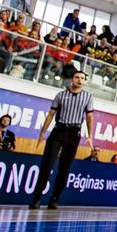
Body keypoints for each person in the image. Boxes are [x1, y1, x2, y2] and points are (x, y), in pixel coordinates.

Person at [29, 69, 95, 209]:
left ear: (84, 81)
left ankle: (54, 199)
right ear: (72, 79)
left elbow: (89, 117)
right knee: (47, 165)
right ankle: (36, 199)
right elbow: (51, 114)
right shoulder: (61, 95)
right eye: (77, 77)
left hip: (74, 133)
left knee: (64, 168)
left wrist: (90, 136)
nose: (79, 80)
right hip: (58, 131)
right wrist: (42, 133)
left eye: (82, 78)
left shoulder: (88, 97)